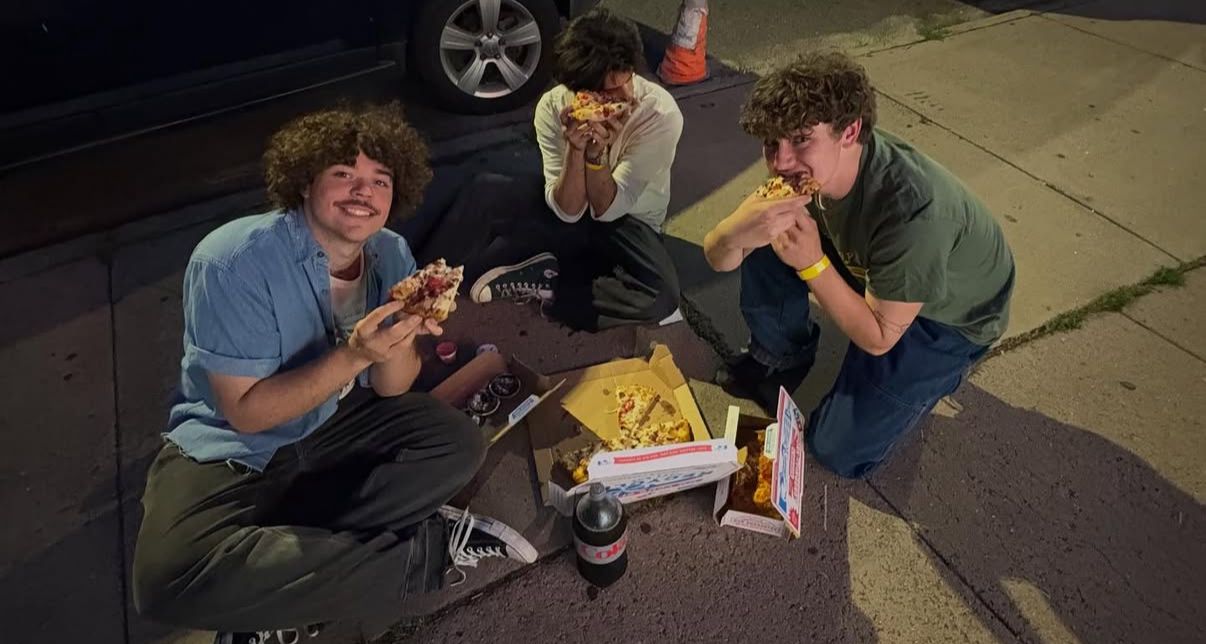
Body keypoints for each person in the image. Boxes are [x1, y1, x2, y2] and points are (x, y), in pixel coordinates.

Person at [131, 104, 537, 644]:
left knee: (456, 443)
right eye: (344, 173)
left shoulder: (391, 254)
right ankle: (423, 551)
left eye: (380, 180)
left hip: (335, 423)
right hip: (235, 449)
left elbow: (392, 387)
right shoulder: (231, 261)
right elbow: (246, 414)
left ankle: (280, 581)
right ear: (305, 182)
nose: (362, 191)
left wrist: (401, 335)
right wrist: (354, 354)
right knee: (165, 581)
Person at [703, 52, 1016, 479]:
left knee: (836, 450)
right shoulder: (810, 165)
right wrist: (733, 230)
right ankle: (781, 356)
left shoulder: (913, 211)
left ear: (849, 131)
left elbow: (879, 337)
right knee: (766, 231)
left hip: (948, 316)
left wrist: (814, 266)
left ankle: (933, 374)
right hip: (875, 264)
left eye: (800, 140)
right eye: (771, 143)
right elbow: (719, 257)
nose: (780, 161)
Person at [416, 8, 684, 332]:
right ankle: (419, 289)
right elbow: (567, 212)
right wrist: (576, 149)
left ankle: (550, 284)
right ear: (580, 92)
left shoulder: (660, 113)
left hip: (628, 223)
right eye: (607, 94)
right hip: (571, 216)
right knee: (484, 190)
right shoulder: (553, 107)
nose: (624, 96)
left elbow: (609, 211)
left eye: (626, 80)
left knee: (661, 296)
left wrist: (596, 155)